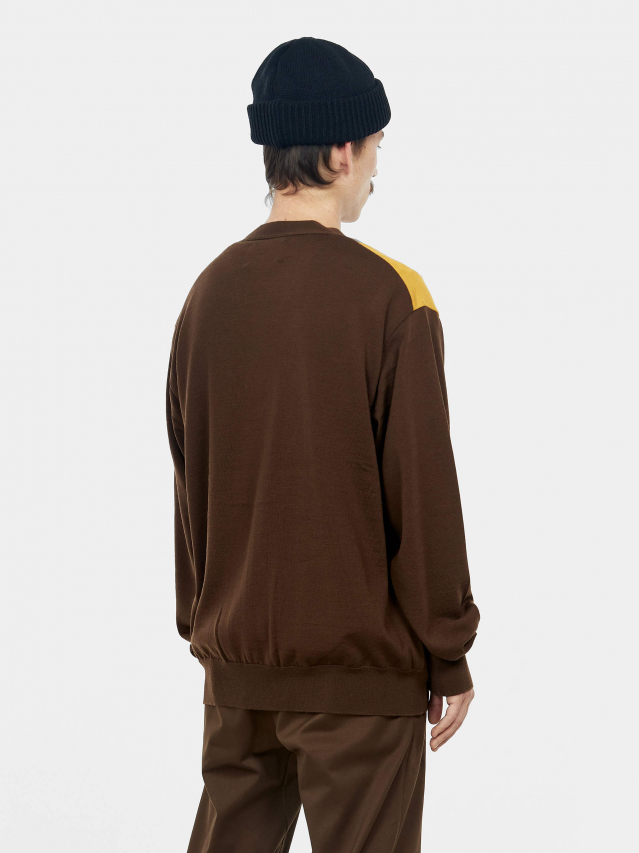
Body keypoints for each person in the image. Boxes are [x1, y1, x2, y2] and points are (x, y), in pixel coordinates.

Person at [166, 36, 480, 853]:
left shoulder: (206, 295)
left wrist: (207, 627)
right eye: (375, 146)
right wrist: (447, 651)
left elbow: (190, 478)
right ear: (342, 151)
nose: (375, 168)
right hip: (359, 682)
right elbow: (422, 491)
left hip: (237, 676)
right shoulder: (391, 297)